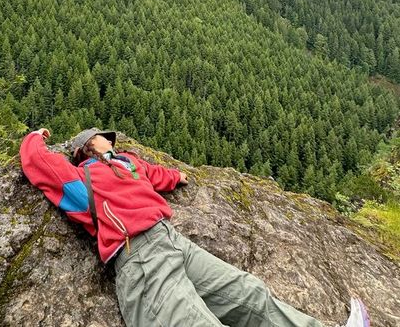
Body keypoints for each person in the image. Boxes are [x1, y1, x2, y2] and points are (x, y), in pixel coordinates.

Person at [19, 127, 370, 327]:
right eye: (102, 137)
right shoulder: (83, 180)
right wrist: (36, 136)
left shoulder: (127, 163)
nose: (110, 139)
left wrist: (177, 176)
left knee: (248, 293)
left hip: (171, 241)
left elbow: (158, 176)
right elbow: (39, 163)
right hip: (139, 257)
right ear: (86, 148)